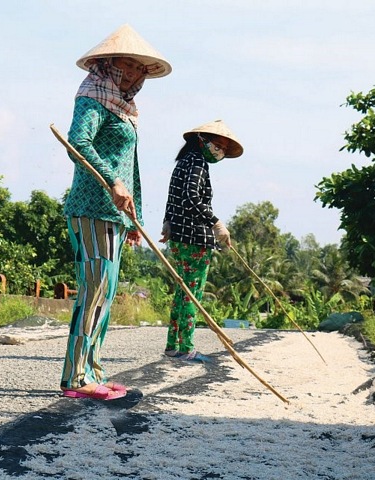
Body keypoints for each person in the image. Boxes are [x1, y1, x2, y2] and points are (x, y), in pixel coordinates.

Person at [60, 24, 172, 400]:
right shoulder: (91, 99)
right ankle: (75, 377)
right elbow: (79, 143)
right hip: (92, 207)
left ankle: (93, 369)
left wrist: (133, 215)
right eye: (130, 64)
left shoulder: (125, 110)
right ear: (110, 63)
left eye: (142, 68)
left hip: (115, 215)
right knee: (93, 288)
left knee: (106, 294)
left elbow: (129, 167)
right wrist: (110, 182)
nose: (137, 73)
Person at [159, 120, 244, 362]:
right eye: (218, 145)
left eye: (224, 149)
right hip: (194, 238)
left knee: (182, 291)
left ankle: (172, 345)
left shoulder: (184, 162)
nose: (220, 151)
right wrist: (216, 223)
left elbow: (173, 195)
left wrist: (168, 221)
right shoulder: (196, 162)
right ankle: (186, 348)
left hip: (180, 236)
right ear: (201, 140)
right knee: (191, 294)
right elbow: (190, 198)